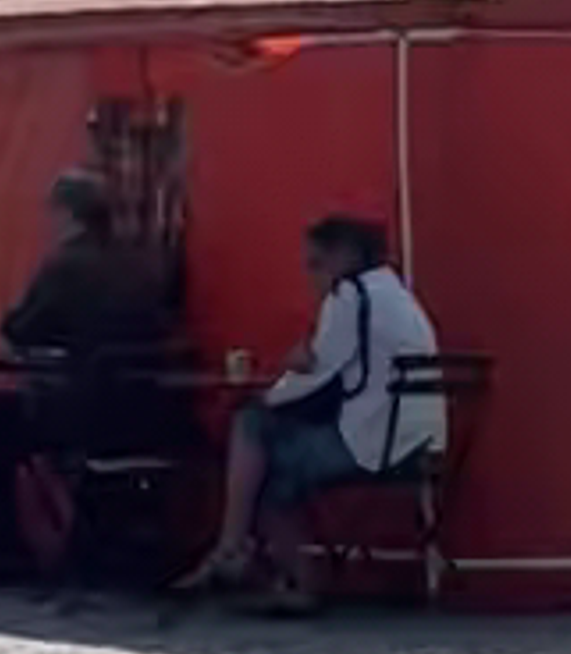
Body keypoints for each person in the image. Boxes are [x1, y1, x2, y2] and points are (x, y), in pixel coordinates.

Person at [182, 212, 442, 603]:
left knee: (256, 438)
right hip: (421, 441)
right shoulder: (396, 295)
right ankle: (241, 551)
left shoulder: (350, 295)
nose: (311, 278)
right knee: (263, 445)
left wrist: (275, 386)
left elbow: (320, 376)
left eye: (315, 264)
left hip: (374, 445)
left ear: (343, 257)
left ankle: (262, 563)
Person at [0, 175, 181, 575]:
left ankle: (5, 546)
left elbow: (16, 337)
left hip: (85, 414)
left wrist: (4, 334)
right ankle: (95, 535)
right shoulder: (144, 265)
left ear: (67, 215)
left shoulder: (66, 266)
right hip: (154, 413)